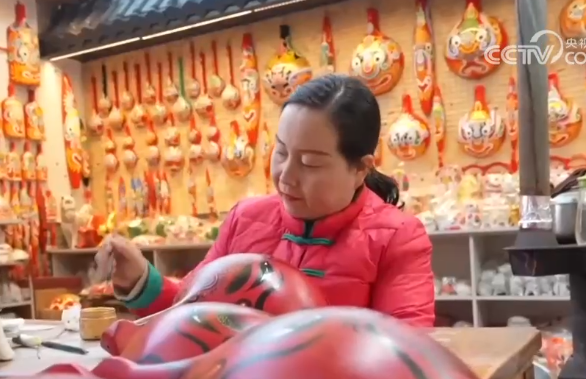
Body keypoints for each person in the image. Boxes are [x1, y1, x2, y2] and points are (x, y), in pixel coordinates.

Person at [102, 75, 435, 327]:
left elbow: (408, 350)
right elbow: (191, 311)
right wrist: (140, 280)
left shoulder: (397, 238)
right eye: (282, 152)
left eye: (310, 163)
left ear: (360, 169)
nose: (286, 176)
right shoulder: (245, 219)